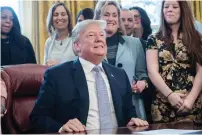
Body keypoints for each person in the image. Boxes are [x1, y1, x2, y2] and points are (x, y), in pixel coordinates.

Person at [30, 20, 149, 133]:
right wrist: (61, 127)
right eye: (91, 35)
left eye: (102, 35)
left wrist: (132, 121)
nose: (99, 39)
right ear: (77, 46)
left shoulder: (119, 75)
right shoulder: (57, 75)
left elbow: (129, 115)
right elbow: (37, 118)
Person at [146, 0, 202, 123]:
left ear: (183, 10)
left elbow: (201, 71)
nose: (169, 9)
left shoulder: (196, 37)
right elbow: (152, 71)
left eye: (174, 7)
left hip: (191, 104)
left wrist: (190, 99)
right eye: (166, 7)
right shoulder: (153, 39)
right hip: (163, 105)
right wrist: (170, 95)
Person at [94, 1, 148, 120]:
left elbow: (142, 74)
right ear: (98, 18)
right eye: (106, 14)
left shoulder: (135, 44)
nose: (111, 19)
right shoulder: (91, 46)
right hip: (102, 109)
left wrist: (142, 82)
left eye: (114, 15)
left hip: (132, 106)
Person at [1, 6, 36, 117]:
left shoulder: (23, 42)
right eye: (3, 17)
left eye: (12, 19)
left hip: (20, 91)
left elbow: (32, 70)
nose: (8, 21)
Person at [44, 2, 76, 66]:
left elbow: (82, 65)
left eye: (63, 14)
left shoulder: (77, 39)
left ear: (68, 18)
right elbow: (44, 67)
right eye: (56, 15)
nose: (60, 17)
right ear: (51, 19)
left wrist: (60, 65)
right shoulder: (49, 42)